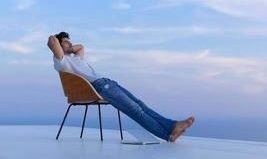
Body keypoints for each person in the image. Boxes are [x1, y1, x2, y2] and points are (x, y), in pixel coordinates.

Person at [47, 31, 195, 143]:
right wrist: (61, 43)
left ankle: (172, 126)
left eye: (69, 41)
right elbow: (51, 40)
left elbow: (81, 47)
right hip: (101, 87)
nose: (70, 43)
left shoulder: (75, 58)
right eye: (66, 42)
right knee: (136, 111)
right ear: (59, 46)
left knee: (141, 106)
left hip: (108, 83)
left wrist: (70, 47)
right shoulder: (61, 61)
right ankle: (167, 134)